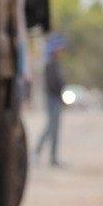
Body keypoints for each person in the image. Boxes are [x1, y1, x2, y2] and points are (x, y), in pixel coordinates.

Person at [33, 33, 67, 167]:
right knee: (50, 128)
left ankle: (53, 158)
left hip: (56, 99)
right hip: (52, 99)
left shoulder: (55, 63)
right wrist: (60, 95)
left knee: (54, 129)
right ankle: (37, 153)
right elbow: (53, 83)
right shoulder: (50, 63)